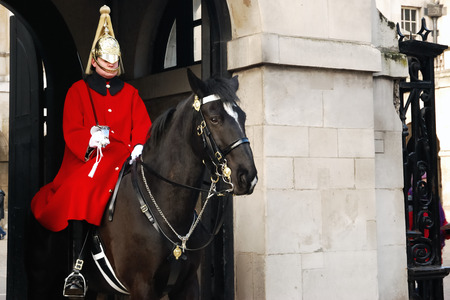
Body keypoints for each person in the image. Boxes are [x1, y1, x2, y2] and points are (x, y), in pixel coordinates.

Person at [30, 5, 151, 297]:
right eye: (106, 59)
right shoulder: (78, 91)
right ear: (95, 61)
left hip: (124, 157)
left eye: (114, 59)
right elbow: (71, 129)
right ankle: (77, 268)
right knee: (80, 191)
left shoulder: (131, 93)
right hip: (90, 160)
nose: (111, 64)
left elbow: (143, 125)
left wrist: (138, 146)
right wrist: (89, 139)